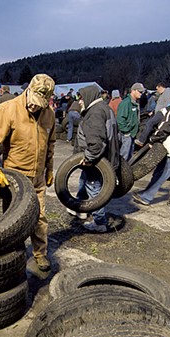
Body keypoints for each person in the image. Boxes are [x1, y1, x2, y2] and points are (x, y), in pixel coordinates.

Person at [0, 74, 56, 272]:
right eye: (33, 102)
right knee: (13, 221)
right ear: (28, 90)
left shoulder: (49, 114)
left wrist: (50, 169)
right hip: (15, 178)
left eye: (40, 104)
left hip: (37, 178)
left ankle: (40, 254)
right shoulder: (8, 109)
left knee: (39, 218)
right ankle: (15, 255)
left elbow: (51, 143)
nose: (34, 107)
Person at [73, 84, 120, 232]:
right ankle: (80, 208)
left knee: (93, 187)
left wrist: (88, 157)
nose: (79, 102)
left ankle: (100, 222)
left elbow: (96, 142)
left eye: (81, 98)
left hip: (97, 159)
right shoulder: (104, 108)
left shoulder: (95, 113)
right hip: (104, 157)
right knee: (84, 180)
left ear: (88, 96)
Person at [117, 82, 144, 161]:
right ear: (133, 90)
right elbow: (120, 119)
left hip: (132, 134)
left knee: (129, 156)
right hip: (126, 135)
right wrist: (126, 132)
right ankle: (119, 172)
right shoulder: (126, 103)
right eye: (140, 91)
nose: (141, 94)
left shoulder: (135, 103)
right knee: (123, 156)